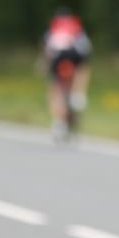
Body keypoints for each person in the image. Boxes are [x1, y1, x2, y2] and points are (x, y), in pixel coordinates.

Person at [43, 8, 92, 141]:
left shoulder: (53, 27)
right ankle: (79, 93)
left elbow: (47, 49)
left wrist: (45, 66)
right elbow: (86, 49)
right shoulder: (76, 26)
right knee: (83, 67)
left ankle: (59, 122)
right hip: (75, 54)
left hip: (57, 57)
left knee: (56, 88)